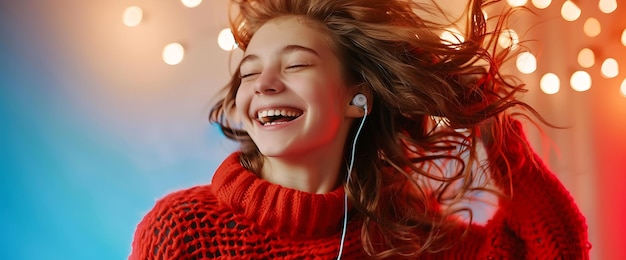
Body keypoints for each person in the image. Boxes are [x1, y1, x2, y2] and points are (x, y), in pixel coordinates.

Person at [129, 0, 590, 258]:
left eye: (295, 65)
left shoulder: (409, 239)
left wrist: (493, 127)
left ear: (357, 99)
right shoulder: (182, 231)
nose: (265, 85)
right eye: (249, 73)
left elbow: (556, 251)